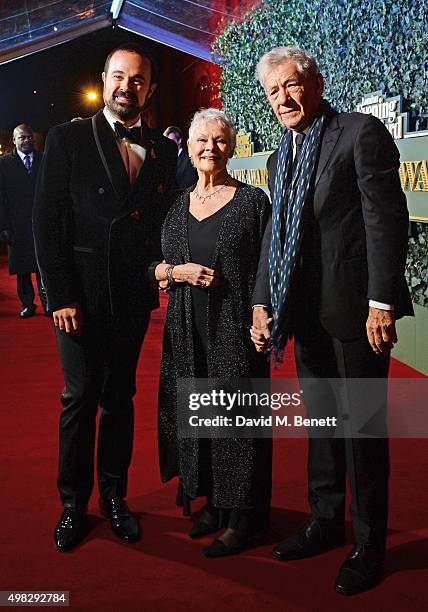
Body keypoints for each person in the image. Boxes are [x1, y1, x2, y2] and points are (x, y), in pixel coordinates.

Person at [250, 47, 413, 595]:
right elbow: (277, 234)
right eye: (273, 92)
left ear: (315, 82)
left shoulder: (358, 133)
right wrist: (262, 300)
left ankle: (370, 545)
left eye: (290, 86)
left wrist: (381, 302)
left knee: (361, 430)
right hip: (304, 314)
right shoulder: (282, 155)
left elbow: (384, 221)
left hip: (356, 312)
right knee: (322, 424)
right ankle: (324, 519)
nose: (283, 99)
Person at [33, 43, 177, 552]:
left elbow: (160, 225)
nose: (126, 86)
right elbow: (47, 225)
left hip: (131, 297)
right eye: (119, 76)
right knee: (79, 398)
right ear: (104, 78)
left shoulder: (161, 150)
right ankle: (73, 504)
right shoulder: (70, 139)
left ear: (149, 89)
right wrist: (61, 296)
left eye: (137, 80)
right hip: (80, 299)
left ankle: (115, 500)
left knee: (120, 400)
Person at [155, 108, 272, 557]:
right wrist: (173, 272)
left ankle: (244, 517)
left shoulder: (252, 201)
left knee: (237, 422)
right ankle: (212, 504)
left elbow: (267, 265)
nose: (210, 148)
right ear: (189, 145)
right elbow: (155, 264)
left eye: (220, 141)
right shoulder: (176, 206)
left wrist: (263, 313)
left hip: (234, 329)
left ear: (233, 147)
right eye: (202, 140)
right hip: (185, 330)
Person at [0, 124, 47, 317]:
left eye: (30, 137)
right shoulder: (3, 163)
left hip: (43, 222)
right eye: (22, 138)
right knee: (22, 268)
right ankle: (27, 304)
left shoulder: (44, 159)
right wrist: (3, 226)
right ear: (14, 140)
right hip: (16, 225)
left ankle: (48, 303)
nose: (27, 141)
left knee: (45, 265)